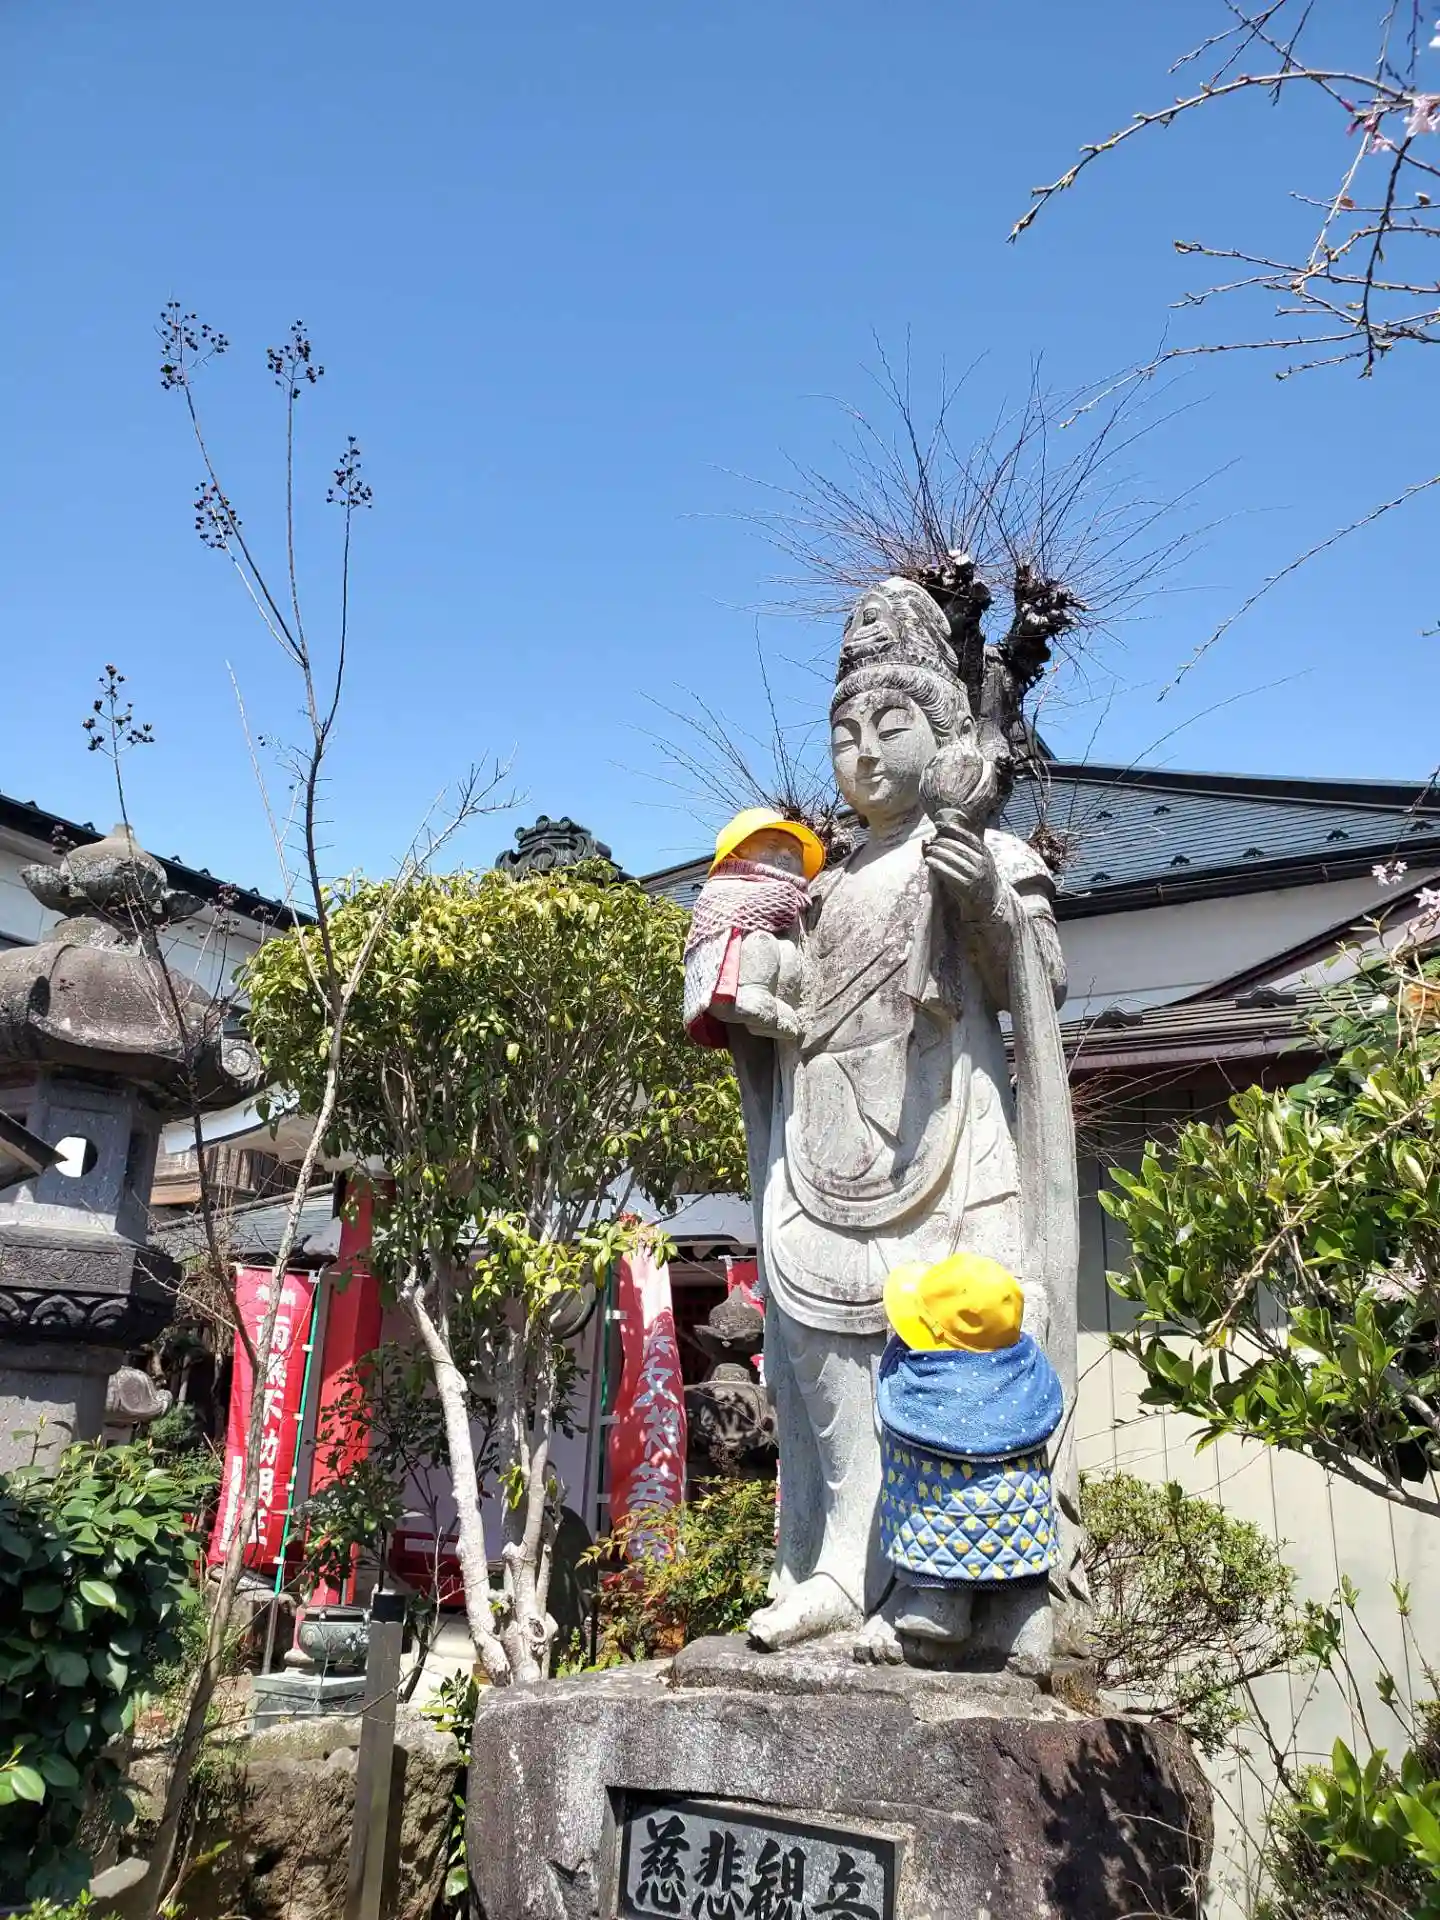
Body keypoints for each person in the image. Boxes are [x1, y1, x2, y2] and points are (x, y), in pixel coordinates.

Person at [713, 577, 1078, 1668]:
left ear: (948, 734)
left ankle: (961, 1583)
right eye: (844, 736)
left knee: (965, 1363)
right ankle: (837, 1566)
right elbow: (790, 1005)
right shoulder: (822, 889)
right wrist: (756, 997)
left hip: (951, 1141)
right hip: (825, 1151)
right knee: (824, 1370)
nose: (864, 754)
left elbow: (1040, 982)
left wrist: (986, 905)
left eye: (891, 726)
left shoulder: (986, 853)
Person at [875, 1252, 1063, 1669]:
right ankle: (1031, 1629)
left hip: (947, 1538)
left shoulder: (928, 1387)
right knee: (1026, 1581)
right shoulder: (1027, 1372)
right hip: (1025, 1533)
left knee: (939, 1510)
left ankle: (941, 1607)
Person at [683, 807, 825, 1048]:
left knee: (788, 951)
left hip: (776, 996)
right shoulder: (726, 885)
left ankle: (774, 1010)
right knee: (761, 940)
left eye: (794, 851)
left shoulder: (798, 898)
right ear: (741, 850)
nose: (785, 855)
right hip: (731, 986)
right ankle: (754, 993)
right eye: (772, 846)